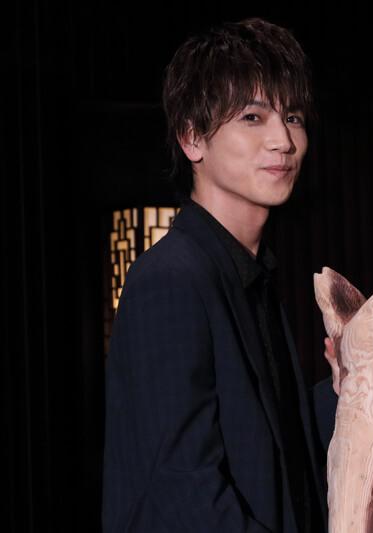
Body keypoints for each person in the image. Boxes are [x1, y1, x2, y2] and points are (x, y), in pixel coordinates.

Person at [103, 18, 324, 532]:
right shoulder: (170, 280)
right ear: (191, 138)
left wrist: (349, 384)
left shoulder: (250, 275)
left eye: (292, 117)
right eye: (253, 117)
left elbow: (276, 454)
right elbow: (182, 491)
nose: (283, 141)